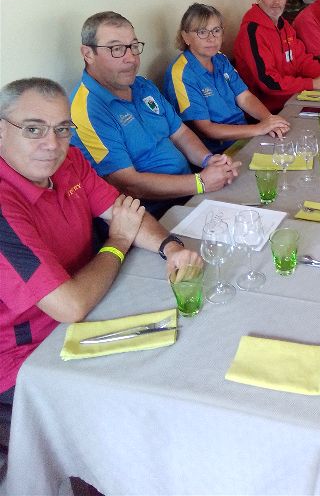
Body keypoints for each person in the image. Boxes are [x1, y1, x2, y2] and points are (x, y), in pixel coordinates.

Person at [0, 78, 202, 404]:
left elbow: (125, 213)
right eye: (33, 129)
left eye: (62, 129)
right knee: (160, 393)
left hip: (96, 302)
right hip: (29, 354)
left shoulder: (70, 161)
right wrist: (118, 241)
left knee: (194, 341)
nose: (52, 143)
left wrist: (171, 248)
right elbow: (70, 306)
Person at [70, 11, 240, 217]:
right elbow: (128, 184)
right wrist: (201, 182)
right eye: (116, 49)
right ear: (88, 54)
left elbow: (181, 134)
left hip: (190, 193)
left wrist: (208, 161)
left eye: (133, 46)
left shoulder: (142, 86)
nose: (131, 58)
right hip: (154, 214)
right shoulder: (87, 109)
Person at [163, 3, 290, 154]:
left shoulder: (220, 59)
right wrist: (259, 128)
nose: (211, 38)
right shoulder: (181, 72)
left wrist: (269, 120)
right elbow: (207, 129)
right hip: (217, 152)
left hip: (244, 135)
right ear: (186, 37)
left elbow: (244, 97)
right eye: (202, 32)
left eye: (216, 30)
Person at [233, 0, 320, 114]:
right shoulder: (252, 32)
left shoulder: (284, 26)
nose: (276, 2)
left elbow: (301, 60)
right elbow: (268, 82)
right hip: (269, 110)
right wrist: (312, 84)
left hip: (292, 97)